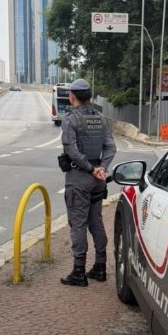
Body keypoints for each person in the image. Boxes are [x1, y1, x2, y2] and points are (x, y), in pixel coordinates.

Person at [59, 78, 116, 287]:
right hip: (98, 181)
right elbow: (111, 147)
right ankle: (100, 267)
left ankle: (79, 272)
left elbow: (71, 150)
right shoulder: (100, 118)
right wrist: (102, 168)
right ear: (89, 97)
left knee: (78, 225)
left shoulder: (70, 120)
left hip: (79, 179)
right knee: (96, 222)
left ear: (71, 96)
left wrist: (91, 169)